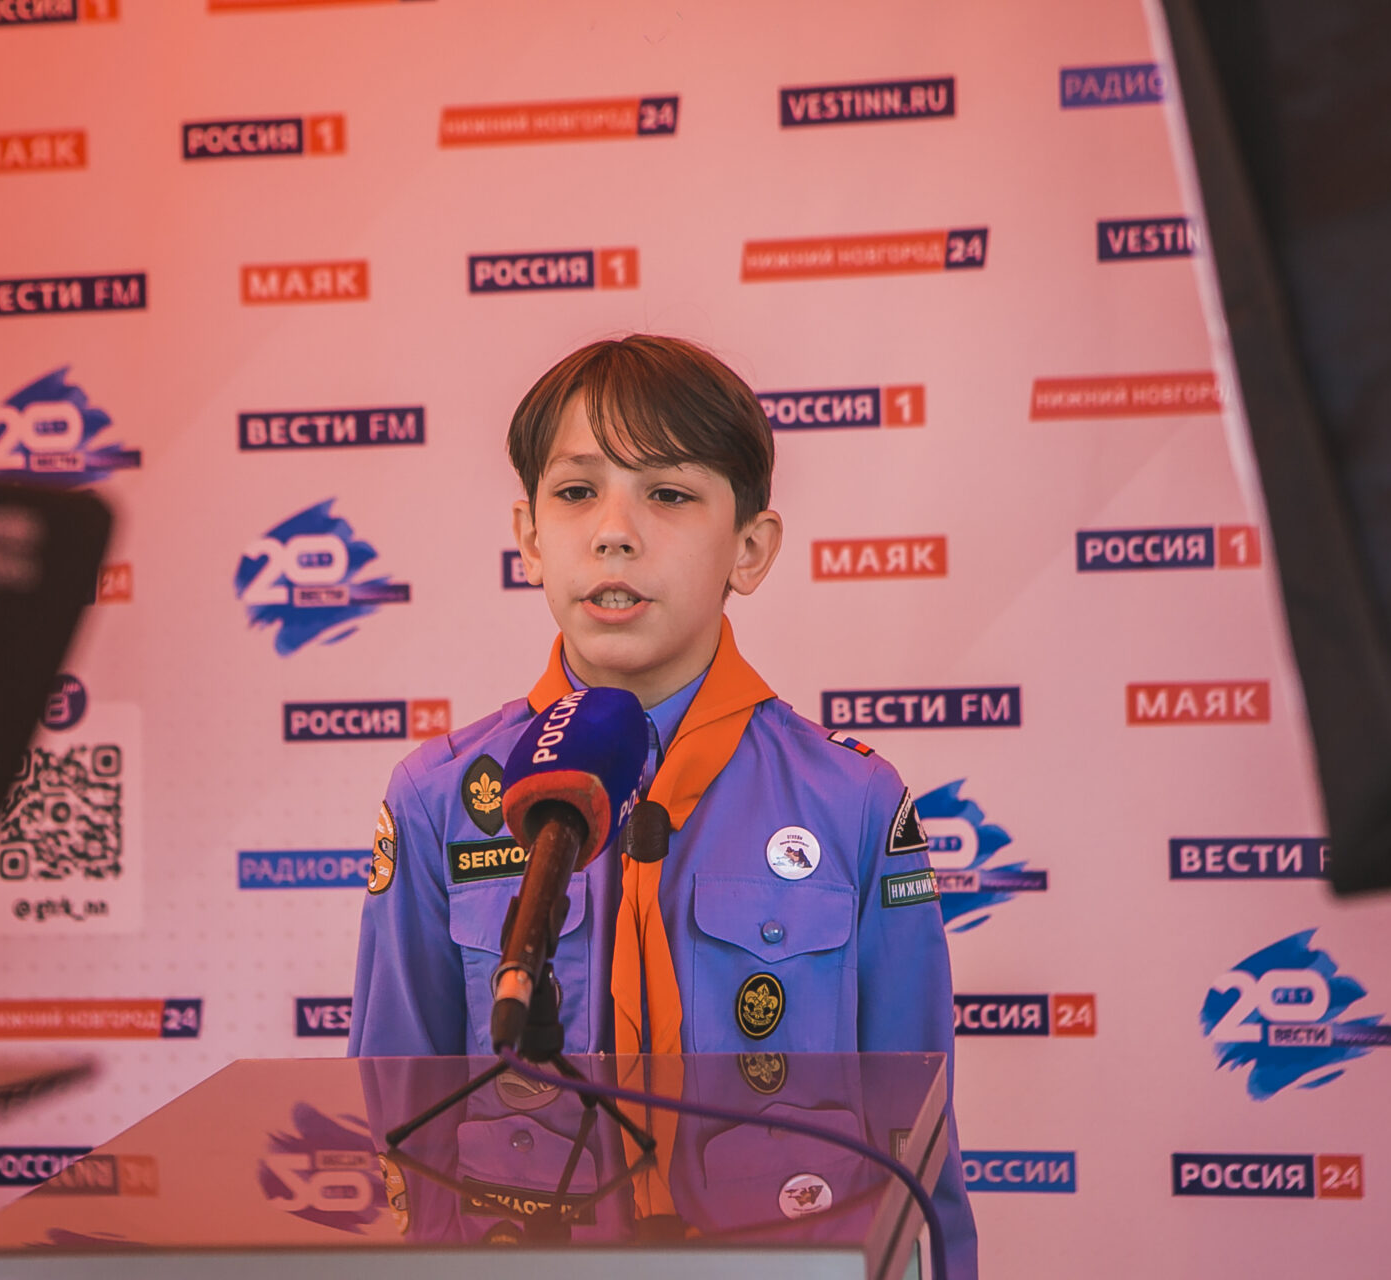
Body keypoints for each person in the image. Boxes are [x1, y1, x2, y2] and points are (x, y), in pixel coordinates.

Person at [349, 334, 976, 1274]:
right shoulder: (442, 800)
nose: (614, 531)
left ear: (750, 549)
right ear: (530, 539)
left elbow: (918, 1144)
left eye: (669, 495)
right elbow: (398, 1127)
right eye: (576, 492)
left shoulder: (852, 802)